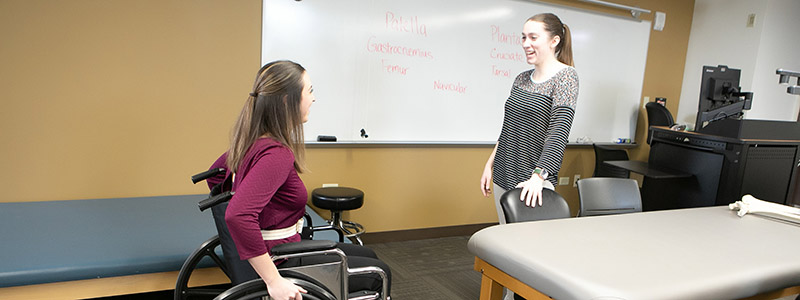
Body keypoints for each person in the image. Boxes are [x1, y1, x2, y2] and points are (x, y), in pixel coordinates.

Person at [207, 60, 390, 300]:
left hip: (282, 248)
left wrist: (265, 218)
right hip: (282, 258)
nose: (313, 99)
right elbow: (237, 215)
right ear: (286, 100)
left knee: (369, 254)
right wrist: (273, 280)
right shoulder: (276, 154)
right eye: (310, 91)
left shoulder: (252, 140)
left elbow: (216, 177)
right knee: (380, 272)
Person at [480, 13, 579, 223]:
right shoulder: (521, 78)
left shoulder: (566, 77)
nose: (526, 43)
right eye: (523, 37)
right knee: (505, 238)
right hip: (504, 171)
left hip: (533, 181)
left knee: (526, 246)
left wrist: (538, 176)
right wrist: (489, 165)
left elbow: (558, 133)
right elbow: (507, 128)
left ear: (554, 41)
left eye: (533, 37)